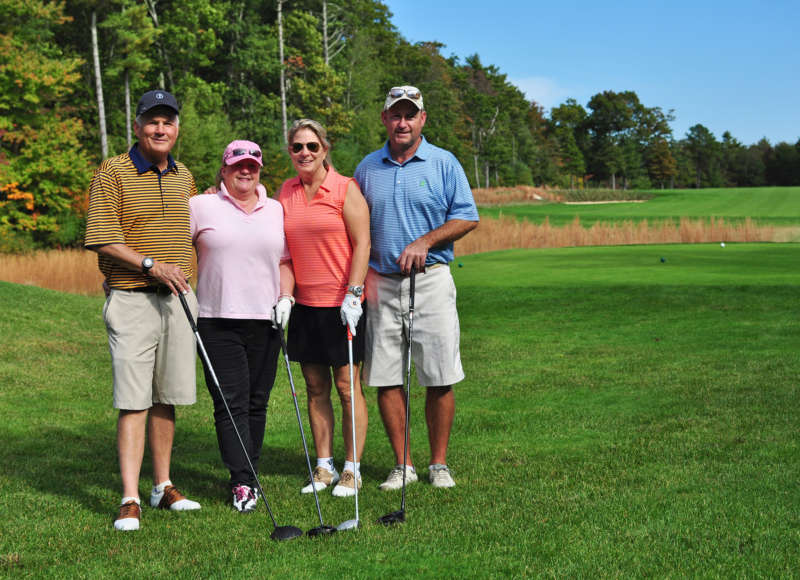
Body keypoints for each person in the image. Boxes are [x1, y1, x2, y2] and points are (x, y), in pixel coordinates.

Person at [85, 89, 202, 531]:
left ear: (176, 128)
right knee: (133, 400)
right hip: (133, 298)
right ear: (137, 126)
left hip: (178, 302)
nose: (160, 129)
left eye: (167, 121)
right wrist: (151, 265)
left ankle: (163, 485)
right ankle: (130, 497)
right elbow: (100, 235)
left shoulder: (183, 175)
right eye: (152, 121)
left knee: (166, 397)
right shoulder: (113, 171)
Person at [353, 85, 479, 490]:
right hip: (382, 285)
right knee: (387, 377)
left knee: (438, 375)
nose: (402, 122)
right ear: (385, 119)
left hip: (430, 282)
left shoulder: (444, 163)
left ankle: (438, 464)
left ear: (422, 119)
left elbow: (467, 217)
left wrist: (425, 241)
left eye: (410, 114)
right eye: (395, 114)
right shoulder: (368, 168)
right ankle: (403, 465)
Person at [191, 140, 294, 513]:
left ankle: (248, 474)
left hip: (266, 320)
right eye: (237, 166)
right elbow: (178, 248)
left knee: (257, 401)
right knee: (230, 402)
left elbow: (284, 261)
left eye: (251, 165)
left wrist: (286, 297)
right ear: (224, 170)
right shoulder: (201, 206)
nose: (245, 171)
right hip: (217, 320)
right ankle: (242, 482)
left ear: (260, 169)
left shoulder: (276, 210)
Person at [277, 119, 371, 497]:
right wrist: (285, 296)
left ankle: (352, 468)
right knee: (315, 387)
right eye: (298, 147)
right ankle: (323, 467)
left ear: (325, 150)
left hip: (341, 305)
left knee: (347, 387)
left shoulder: (345, 189)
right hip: (305, 306)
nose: (305, 153)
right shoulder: (286, 191)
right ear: (290, 152)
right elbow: (282, 251)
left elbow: (362, 243)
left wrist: (354, 293)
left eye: (312, 147)